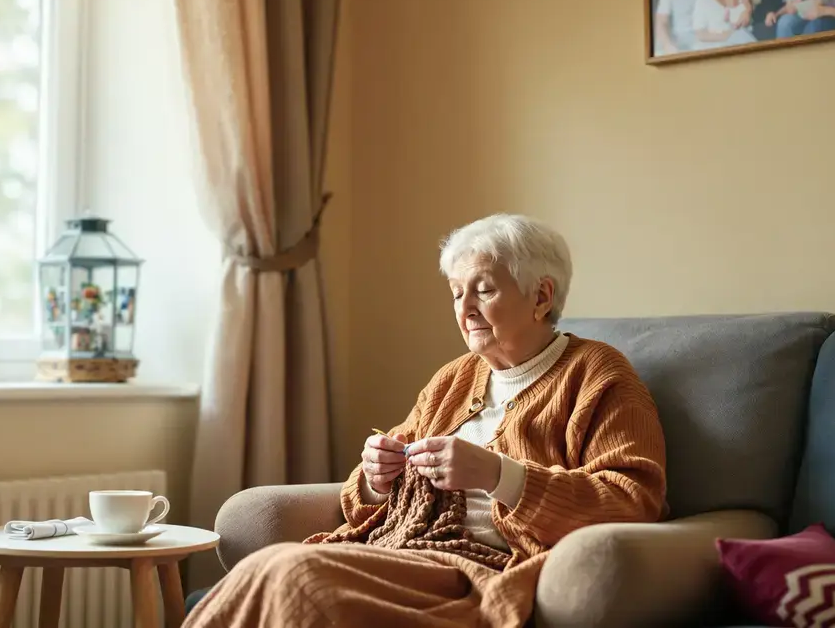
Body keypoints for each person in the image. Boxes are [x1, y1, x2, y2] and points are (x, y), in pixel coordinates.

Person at [183, 214, 668, 627]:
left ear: (541, 296)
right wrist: (376, 478)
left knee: (298, 576)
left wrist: (500, 475)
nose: (465, 308)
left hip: (482, 567)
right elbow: (362, 501)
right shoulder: (454, 379)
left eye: (483, 289)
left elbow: (634, 501)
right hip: (400, 549)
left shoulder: (598, 374)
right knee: (272, 565)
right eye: (457, 293)